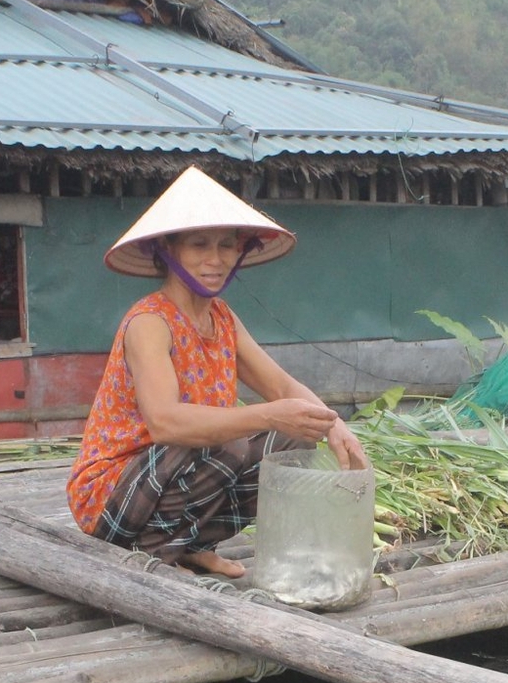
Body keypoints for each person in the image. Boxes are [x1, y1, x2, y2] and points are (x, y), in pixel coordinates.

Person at [67, 166, 368, 577]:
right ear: (167, 249)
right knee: (230, 443)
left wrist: (334, 427)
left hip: (178, 474)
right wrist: (263, 415)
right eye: (199, 245)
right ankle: (154, 554)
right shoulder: (150, 322)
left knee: (289, 440)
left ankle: (190, 545)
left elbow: (280, 385)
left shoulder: (222, 319)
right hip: (111, 496)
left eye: (227, 245)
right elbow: (166, 423)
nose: (216, 259)